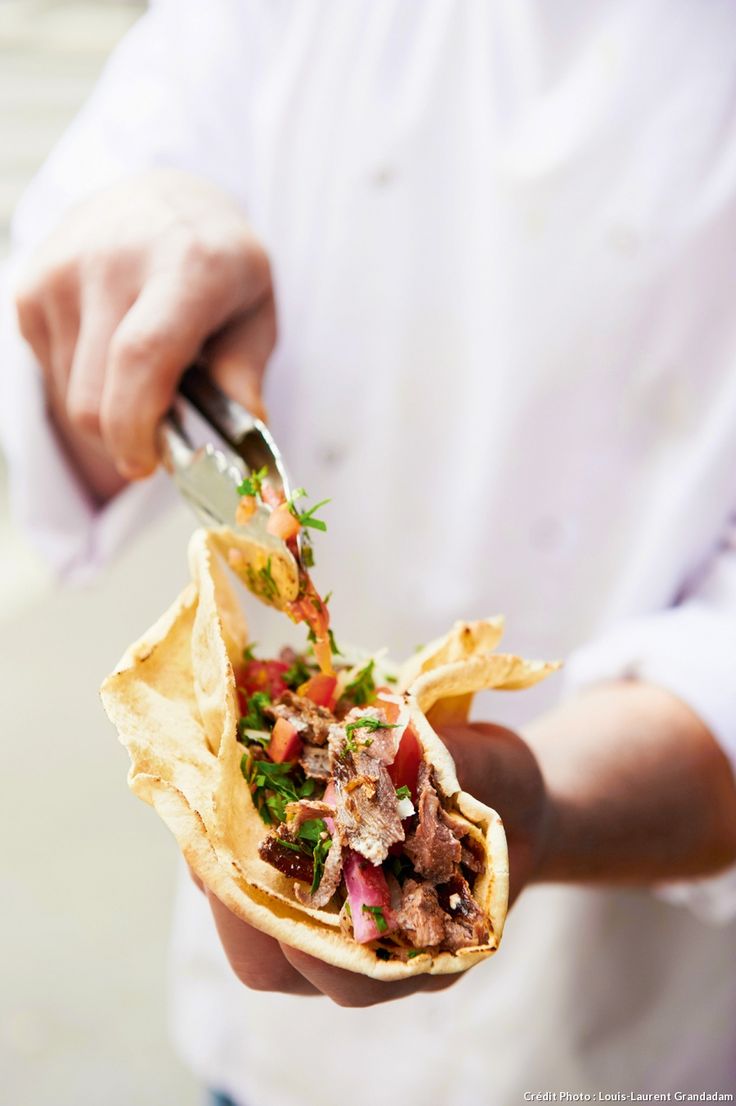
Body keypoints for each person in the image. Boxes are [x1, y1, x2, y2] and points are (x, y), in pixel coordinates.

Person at [2, 2, 736, 1102]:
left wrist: (525, 799)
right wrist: (136, 239)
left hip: (624, 1038)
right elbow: (76, 258)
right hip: (263, 1048)